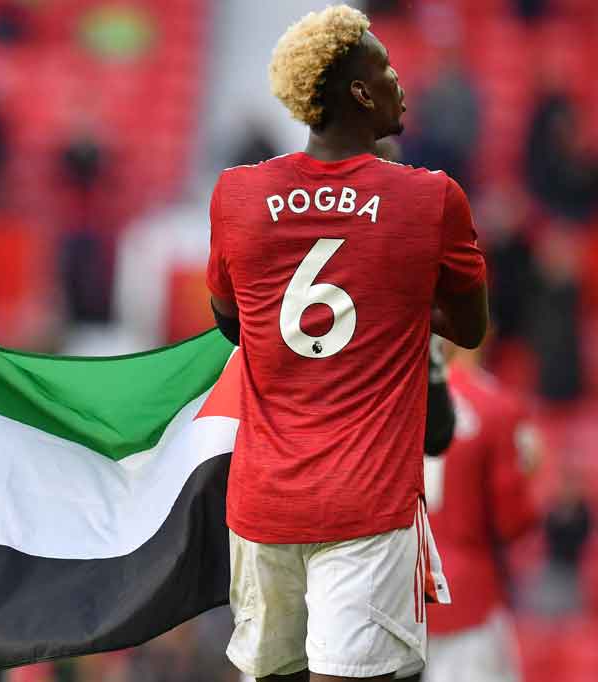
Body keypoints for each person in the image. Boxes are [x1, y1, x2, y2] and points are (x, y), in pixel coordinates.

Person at [205, 6, 488, 681]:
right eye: (387, 71)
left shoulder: (237, 194)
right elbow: (471, 328)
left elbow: (231, 323)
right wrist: (395, 311)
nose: (401, 84)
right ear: (360, 93)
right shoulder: (431, 201)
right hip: (367, 506)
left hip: (263, 503)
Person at [410, 341, 541, 682]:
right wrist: (530, 472)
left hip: (399, 588)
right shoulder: (497, 405)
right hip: (468, 594)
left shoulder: (398, 399)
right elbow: (513, 521)